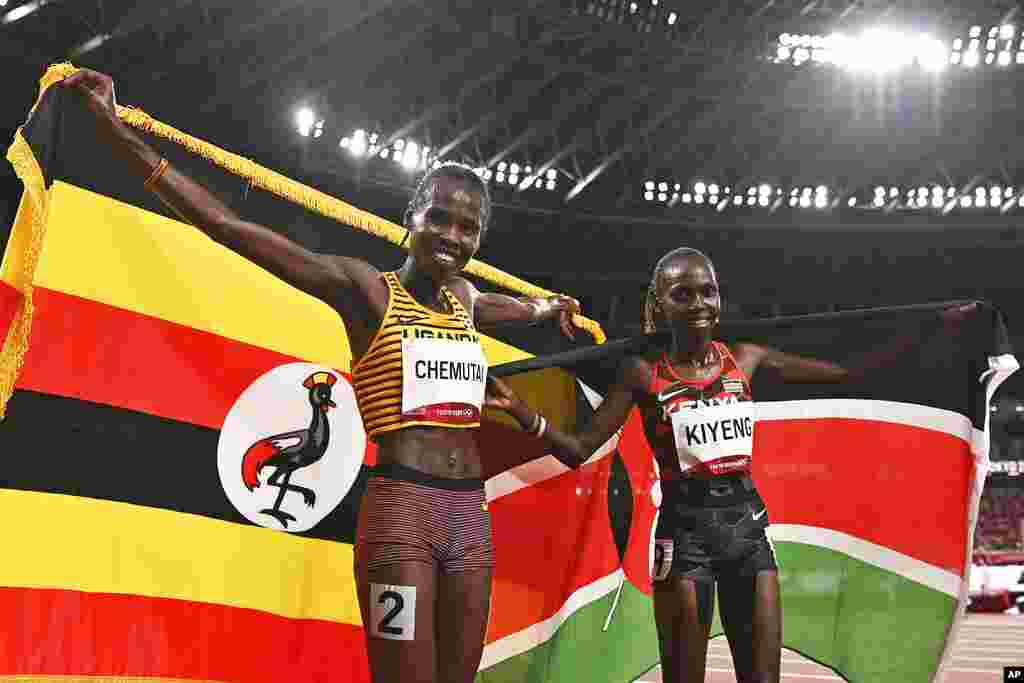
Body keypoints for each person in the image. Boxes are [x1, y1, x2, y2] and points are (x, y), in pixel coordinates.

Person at [63, 68, 582, 683]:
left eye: (467, 228)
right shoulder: (364, 290)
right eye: (439, 218)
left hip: (469, 516)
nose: (451, 236)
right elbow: (231, 228)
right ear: (412, 217)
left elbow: (523, 309)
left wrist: (556, 307)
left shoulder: (467, 299)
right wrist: (117, 130)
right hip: (401, 516)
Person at [486, 247, 968, 683]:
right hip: (684, 541)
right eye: (683, 294)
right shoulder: (642, 374)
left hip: (749, 534)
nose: (698, 303)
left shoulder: (745, 358)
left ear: (719, 298)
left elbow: (852, 374)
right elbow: (578, 448)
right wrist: (522, 413)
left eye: (708, 291)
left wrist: (932, 328)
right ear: (660, 305)